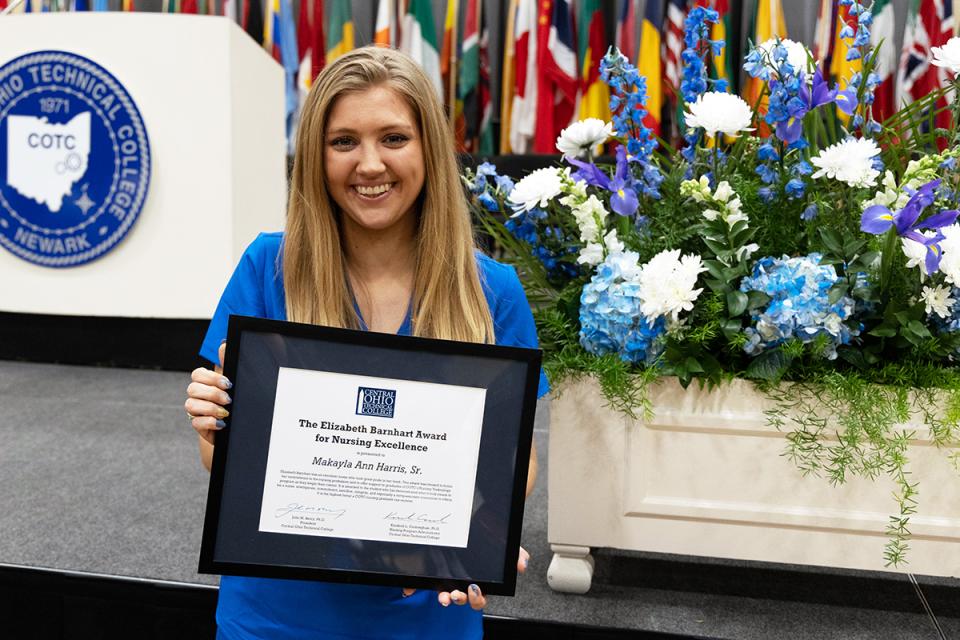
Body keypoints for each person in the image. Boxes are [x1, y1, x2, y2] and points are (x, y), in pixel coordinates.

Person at [184, 46, 548, 639]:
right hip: (277, 618)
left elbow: (516, 458)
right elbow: (216, 460)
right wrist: (215, 428)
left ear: (429, 147)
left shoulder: (491, 291)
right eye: (344, 141)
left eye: (394, 138)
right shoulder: (267, 267)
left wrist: (484, 529)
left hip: (426, 617)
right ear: (316, 157)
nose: (370, 163)